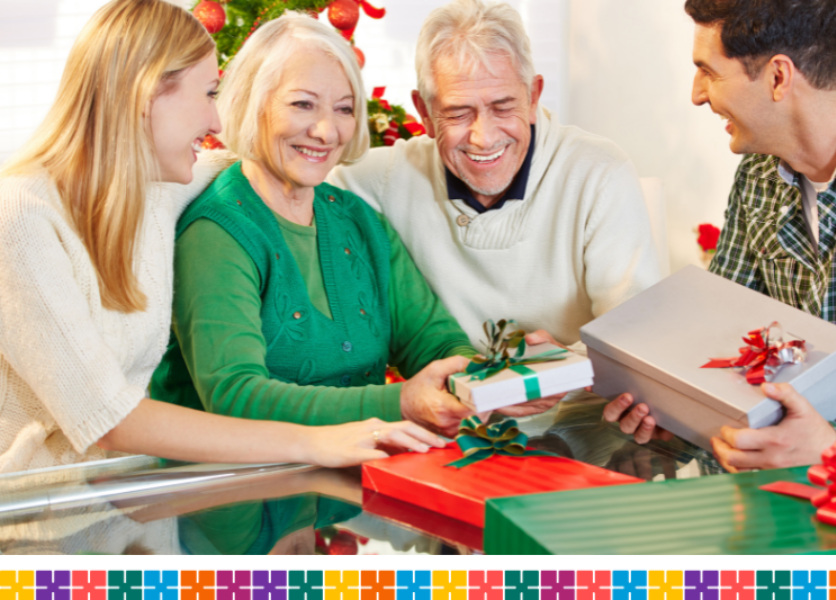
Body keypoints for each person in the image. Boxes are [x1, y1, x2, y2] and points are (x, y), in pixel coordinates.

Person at [0, 0, 443, 474]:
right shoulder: (20, 216)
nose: (217, 122)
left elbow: (261, 164)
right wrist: (315, 441)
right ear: (146, 96)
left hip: (132, 501)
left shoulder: (159, 186)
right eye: (209, 94)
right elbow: (107, 418)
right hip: (44, 506)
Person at [150, 13, 510, 439]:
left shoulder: (360, 221)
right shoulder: (217, 233)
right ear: (251, 103)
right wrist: (399, 402)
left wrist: (486, 383)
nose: (326, 131)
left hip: (356, 468)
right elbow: (235, 395)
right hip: (233, 477)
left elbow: (435, 342)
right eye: (302, 104)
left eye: (344, 109)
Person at [622, 0, 836, 471]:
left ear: (777, 77)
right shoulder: (758, 176)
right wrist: (680, 410)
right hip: (767, 485)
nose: (696, 94)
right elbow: (719, 341)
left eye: (708, 71)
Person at [328, 0, 661, 355]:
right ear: (424, 112)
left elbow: (636, 338)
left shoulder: (599, 174)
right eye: (458, 114)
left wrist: (564, 364)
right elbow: (307, 193)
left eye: (502, 108)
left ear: (532, 97)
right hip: (447, 388)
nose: (483, 138)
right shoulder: (378, 180)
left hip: (577, 388)